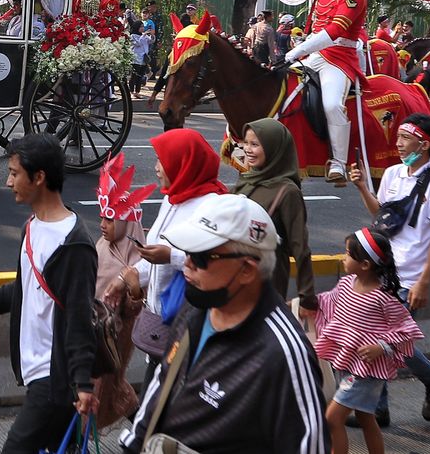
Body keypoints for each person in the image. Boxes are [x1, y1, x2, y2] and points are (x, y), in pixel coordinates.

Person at [120, 193, 329, 453]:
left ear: (247, 270)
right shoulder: (195, 310)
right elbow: (161, 387)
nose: (186, 264)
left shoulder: (283, 354)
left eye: (201, 257)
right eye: (186, 252)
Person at [0, 133, 98, 454]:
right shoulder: (32, 226)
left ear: (39, 177)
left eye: (14, 173)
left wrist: (83, 384)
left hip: (55, 379)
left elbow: (79, 317)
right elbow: (25, 292)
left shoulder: (73, 243)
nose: (8, 182)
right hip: (35, 374)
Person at [349, 113, 430, 426]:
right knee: (379, 341)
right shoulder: (394, 173)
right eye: (398, 138)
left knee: (392, 344)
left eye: (404, 138)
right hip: (383, 273)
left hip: (410, 278)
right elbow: (380, 217)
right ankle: (379, 408)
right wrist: (361, 188)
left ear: (423, 144)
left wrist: (424, 281)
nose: (397, 144)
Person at [107, 129, 229, 385]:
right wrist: (126, 277)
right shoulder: (172, 199)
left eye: (162, 161)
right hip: (161, 320)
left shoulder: (212, 206)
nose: (156, 168)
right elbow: (156, 256)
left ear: (183, 163)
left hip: (188, 325)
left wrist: (171, 256)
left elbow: (216, 258)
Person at [317, 228, 424, 454]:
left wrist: (382, 346)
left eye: (347, 254)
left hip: (367, 372)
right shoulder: (346, 284)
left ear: (365, 264)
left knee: (332, 419)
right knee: (366, 418)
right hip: (349, 364)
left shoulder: (383, 298)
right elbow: (326, 302)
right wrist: (302, 305)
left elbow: (407, 329)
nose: (343, 257)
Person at [284, 0, 367, 184]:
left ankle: (339, 163)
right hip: (314, 54)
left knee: (332, 104)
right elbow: (316, 28)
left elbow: (335, 31)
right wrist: (301, 44)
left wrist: (299, 50)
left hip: (338, 58)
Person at [93, 153, 156, 428]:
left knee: (107, 386)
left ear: (127, 222)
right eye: (102, 219)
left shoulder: (137, 263)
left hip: (116, 337)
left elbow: (133, 309)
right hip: (93, 331)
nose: (102, 226)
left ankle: (142, 430)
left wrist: (131, 290)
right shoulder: (101, 246)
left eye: (109, 220)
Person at [234, 119, 317, 311]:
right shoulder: (247, 181)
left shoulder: (287, 192)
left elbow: (300, 247)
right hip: (233, 278)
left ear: (274, 148)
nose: (247, 149)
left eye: (255, 144)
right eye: (246, 143)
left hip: (265, 283)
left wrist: (307, 298)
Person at [129, 8, 154, 94]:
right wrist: (144, 36)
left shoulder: (144, 35)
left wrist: (152, 36)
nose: (143, 28)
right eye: (141, 27)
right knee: (134, 75)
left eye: (143, 26)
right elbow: (138, 44)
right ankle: (131, 90)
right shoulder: (132, 36)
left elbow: (150, 41)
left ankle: (137, 91)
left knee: (140, 76)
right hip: (135, 59)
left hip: (143, 59)